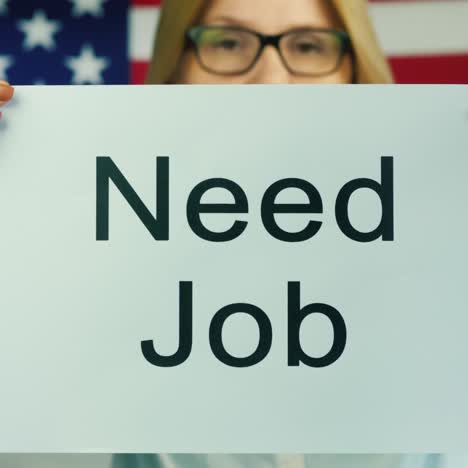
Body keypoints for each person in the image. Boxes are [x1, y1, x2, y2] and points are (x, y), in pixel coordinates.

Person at [0, 0, 442, 467]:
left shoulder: (444, 267)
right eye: (228, 42)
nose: (272, 80)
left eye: (308, 46)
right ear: (175, 74)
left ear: (355, 77)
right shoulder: (79, 262)